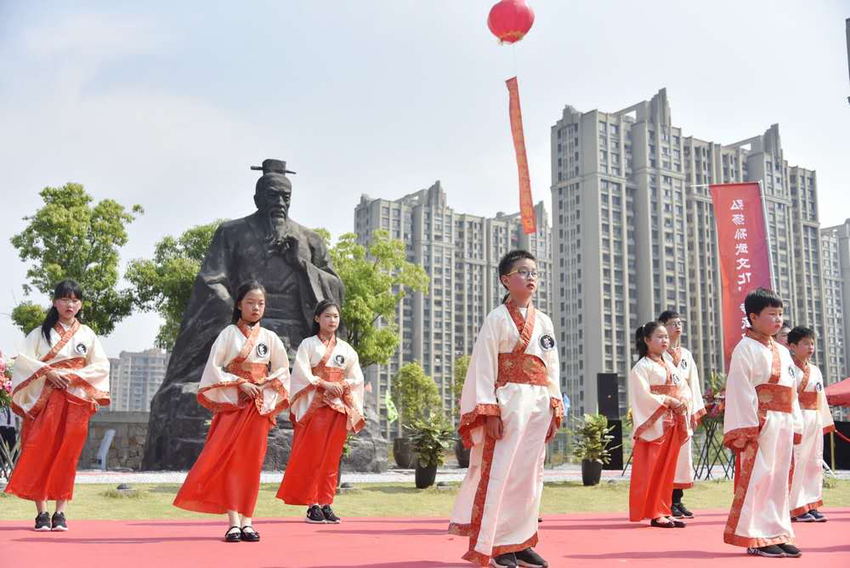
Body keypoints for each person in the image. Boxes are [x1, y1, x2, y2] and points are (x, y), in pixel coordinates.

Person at [449, 250, 563, 568]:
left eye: (534, 272)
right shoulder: (497, 318)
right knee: (503, 473)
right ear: (505, 280)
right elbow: (483, 367)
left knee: (529, 476)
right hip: (508, 403)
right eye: (522, 271)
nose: (530, 277)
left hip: (538, 404)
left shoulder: (544, 322)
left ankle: (521, 539)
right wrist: (490, 412)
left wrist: (555, 406)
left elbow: (551, 367)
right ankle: (496, 544)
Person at [173, 281, 290, 542]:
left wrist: (264, 385)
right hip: (232, 406)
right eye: (250, 302)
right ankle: (233, 522)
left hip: (257, 408)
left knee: (252, 464)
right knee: (230, 463)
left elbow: (282, 370)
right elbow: (214, 368)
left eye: (260, 303)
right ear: (239, 304)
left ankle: (248, 521)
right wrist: (241, 383)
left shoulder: (270, 338)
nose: (256, 307)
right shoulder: (228, 334)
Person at [4, 280, 110, 532]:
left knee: (68, 454)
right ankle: (41, 513)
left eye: (74, 300)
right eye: (64, 299)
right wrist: (48, 372)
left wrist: (73, 376)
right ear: (55, 302)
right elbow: (22, 362)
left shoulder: (88, 335)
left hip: (75, 402)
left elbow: (101, 366)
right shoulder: (40, 333)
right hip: (44, 400)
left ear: (80, 304)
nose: (69, 304)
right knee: (38, 450)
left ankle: (60, 513)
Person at [722, 288, 803, 558]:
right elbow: (740, 388)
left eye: (780, 314)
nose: (778, 320)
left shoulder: (782, 350)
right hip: (761, 423)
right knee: (759, 478)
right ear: (753, 317)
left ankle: (777, 532)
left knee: (779, 480)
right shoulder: (744, 349)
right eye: (772, 314)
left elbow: (791, 392)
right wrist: (749, 426)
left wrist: (795, 423)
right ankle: (755, 537)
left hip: (783, 422)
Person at [277, 300, 365, 524]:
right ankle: (312, 504)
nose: (332, 320)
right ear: (317, 318)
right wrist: (324, 384)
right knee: (312, 457)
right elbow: (301, 374)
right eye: (327, 316)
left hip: (337, 408)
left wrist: (343, 385)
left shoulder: (346, 349)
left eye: (335, 316)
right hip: (315, 407)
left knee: (331, 458)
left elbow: (356, 377)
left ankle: (327, 503)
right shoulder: (308, 345)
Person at [628, 321, 691, 529]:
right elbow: (641, 396)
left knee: (667, 469)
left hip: (671, 422)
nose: (665, 340)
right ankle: (655, 512)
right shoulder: (641, 367)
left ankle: (664, 509)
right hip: (655, 425)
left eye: (666, 337)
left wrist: (682, 401)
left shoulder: (669, 364)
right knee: (652, 470)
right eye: (659, 337)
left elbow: (683, 387)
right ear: (647, 340)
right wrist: (669, 400)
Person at [658, 310, 705, 519]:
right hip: (665, 414)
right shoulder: (658, 354)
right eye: (671, 324)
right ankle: (665, 500)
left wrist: (695, 411)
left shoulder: (686, 355)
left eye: (679, 323)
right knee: (667, 458)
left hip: (683, 413)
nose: (677, 327)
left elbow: (693, 383)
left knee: (683, 458)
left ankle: (677, 499)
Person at [787, 326, 834, 523]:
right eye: (805, 343)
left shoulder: (815, 370)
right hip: (798, 420)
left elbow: (821, 397)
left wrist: (825, 421)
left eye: (812, 343)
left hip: (814, 419)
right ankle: (796, 506)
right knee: (798, 462)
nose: (810, 347)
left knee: (814, 462)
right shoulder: (789, 369)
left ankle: (811, 502)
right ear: (792, 346)